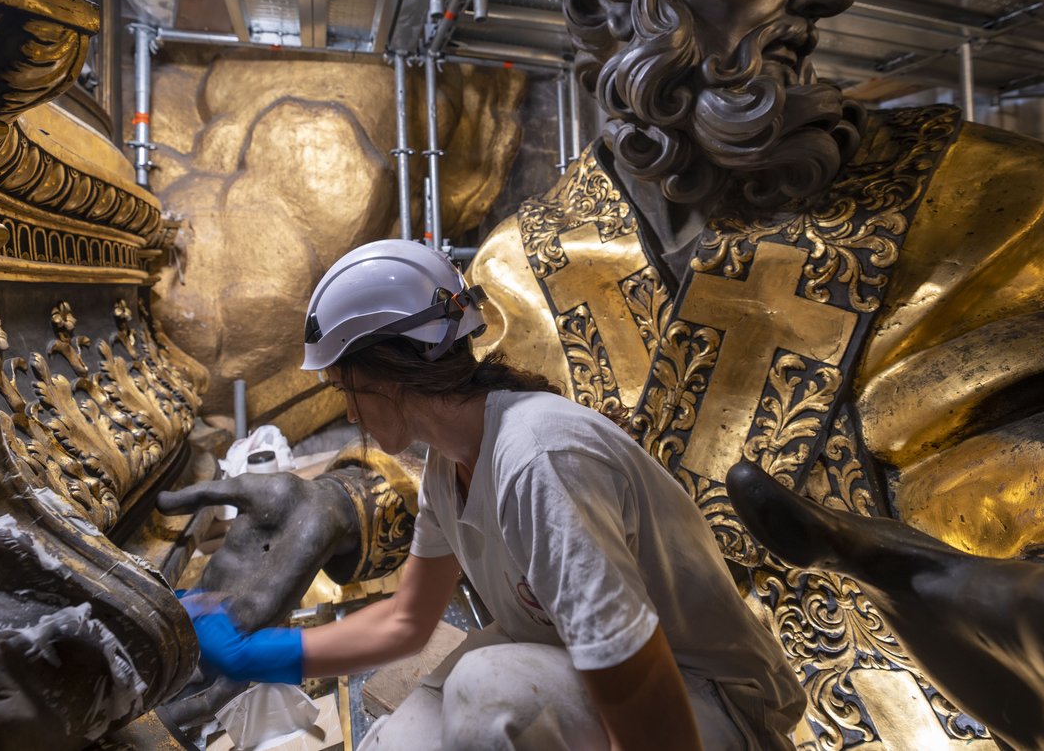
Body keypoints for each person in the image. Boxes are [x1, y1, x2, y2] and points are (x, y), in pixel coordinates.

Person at [162, 0, 1044, 746]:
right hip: (620, 687)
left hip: (868, 711)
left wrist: (1023, 588)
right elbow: (436, 493)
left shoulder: (1007, 205)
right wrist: (338, 508)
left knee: (485, 697)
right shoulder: (530, 257)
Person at [181, 239, 804, 750]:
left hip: (702, 696)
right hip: (563, 659)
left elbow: (632, 670)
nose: (350, 410)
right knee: (401, 745)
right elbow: (406, 621)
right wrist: (260, 654)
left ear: (391, 373)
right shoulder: (447, 465)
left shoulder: (538, 456)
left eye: (349, 388)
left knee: (490, 690)